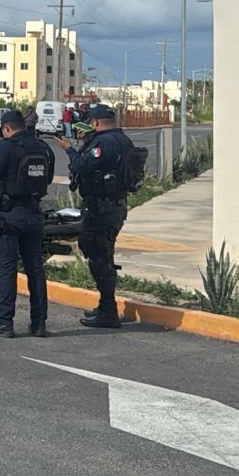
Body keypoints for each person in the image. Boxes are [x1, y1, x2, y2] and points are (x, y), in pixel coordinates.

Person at [57, 103, 134, 328]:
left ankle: (108, 311)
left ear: (96, 123)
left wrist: (69, 149)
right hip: (115, 206)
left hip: (102, 209)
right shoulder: (122, 140)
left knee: (99, 258)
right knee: (103, 255)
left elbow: (82, 165)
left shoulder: (104, 143)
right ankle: (104, 306)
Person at [0, 110, 53, 338]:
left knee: (8, 269)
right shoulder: (43, 147)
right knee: (35, 270)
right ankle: (39, 323)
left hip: (10, 216)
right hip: (34, 213)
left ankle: (4, 322)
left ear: (7, 128)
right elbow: (47, 179)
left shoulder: (7, 147)